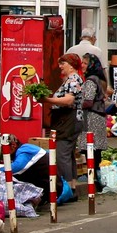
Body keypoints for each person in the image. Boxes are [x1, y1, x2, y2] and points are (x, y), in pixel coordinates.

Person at [45, 54, 84, 184]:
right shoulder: (72, 79)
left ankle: (65, 186)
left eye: (63, 63)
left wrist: (47, 100)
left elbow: (69, 100)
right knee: (68, 154)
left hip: (68, 120)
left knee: (62, 154)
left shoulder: (73, 80)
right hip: (70, 120)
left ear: (71, 65)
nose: (60, 66)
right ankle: (72, 187)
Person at [75, 53, 110, 157]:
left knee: (90, 149)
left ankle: (92, 173)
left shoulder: (90, 80)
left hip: (91, 119)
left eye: (85, 63)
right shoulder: (99, 79)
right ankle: (95, 172)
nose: (82, 65)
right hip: (98, 117)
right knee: (96, 150)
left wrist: (74, 103)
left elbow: (88, 101)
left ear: (92, 65)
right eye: (82, 62)